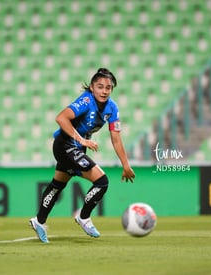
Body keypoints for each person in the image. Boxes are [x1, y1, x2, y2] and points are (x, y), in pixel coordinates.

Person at [29, 68, 135, 243]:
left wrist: (125, 165)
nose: (104, 91)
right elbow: (61, 118)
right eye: (100, 86)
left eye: (108, 87)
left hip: (76, 148)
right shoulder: (86, 100)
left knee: (57, 185)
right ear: (92, 88)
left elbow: (116, 139)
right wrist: (82, 140)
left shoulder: (112, 107)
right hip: (65, 145)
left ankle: (39, 221)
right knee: (102, 181)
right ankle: (83, 216)